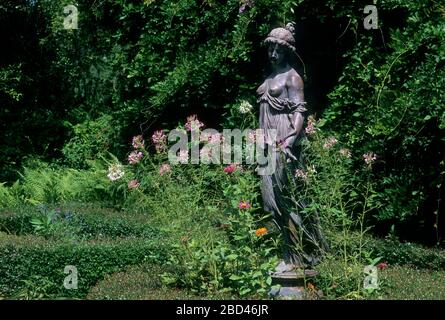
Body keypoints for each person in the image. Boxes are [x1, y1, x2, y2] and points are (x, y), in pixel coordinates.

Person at [257, 23, 328, 272]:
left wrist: (289, 139)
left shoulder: (293, 77)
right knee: (270, 201)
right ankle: (289, 252)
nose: (273, 54)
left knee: (286, 200)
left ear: (286, 51)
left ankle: (297, 257)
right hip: (266, 144)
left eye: (278, 50)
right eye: (271, 49)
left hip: (282, 142)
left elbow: (300, 112)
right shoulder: (269, 76)